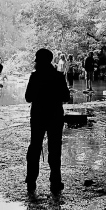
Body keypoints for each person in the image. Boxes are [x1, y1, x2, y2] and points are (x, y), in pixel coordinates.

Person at [24, 48, 70, 193]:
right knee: (55, 148)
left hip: (38, 116)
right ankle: (55, 180)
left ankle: (31, 180)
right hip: (55, 116)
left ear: (39, 61)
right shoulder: (59, 76)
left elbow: (28, 98)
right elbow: (66, 97)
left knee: (35, 147)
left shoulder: (35, 77)